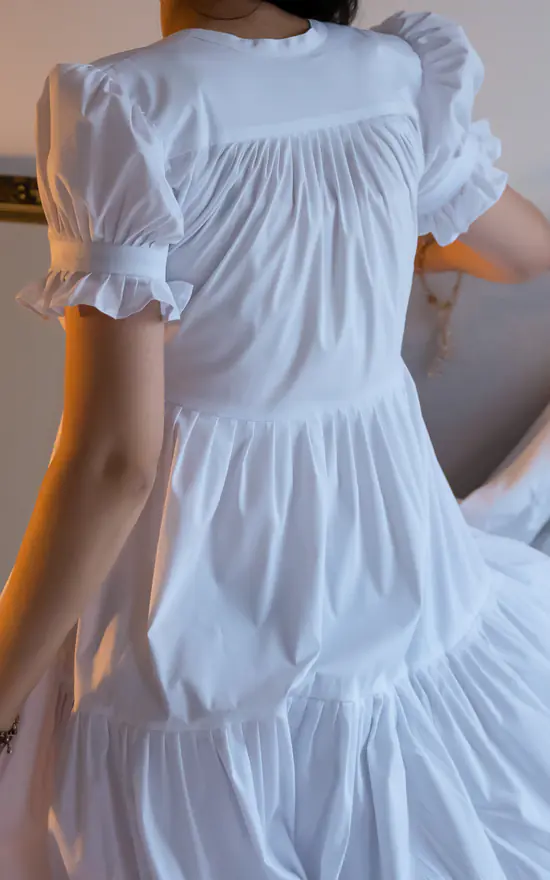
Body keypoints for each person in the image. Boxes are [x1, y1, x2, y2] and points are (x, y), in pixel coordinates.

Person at [1, 0, 550, 876]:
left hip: (203, 582)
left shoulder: (124, 107)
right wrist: (350, 245)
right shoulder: (395, 73)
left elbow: (114, 463)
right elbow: (521, 252)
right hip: (389, 554)